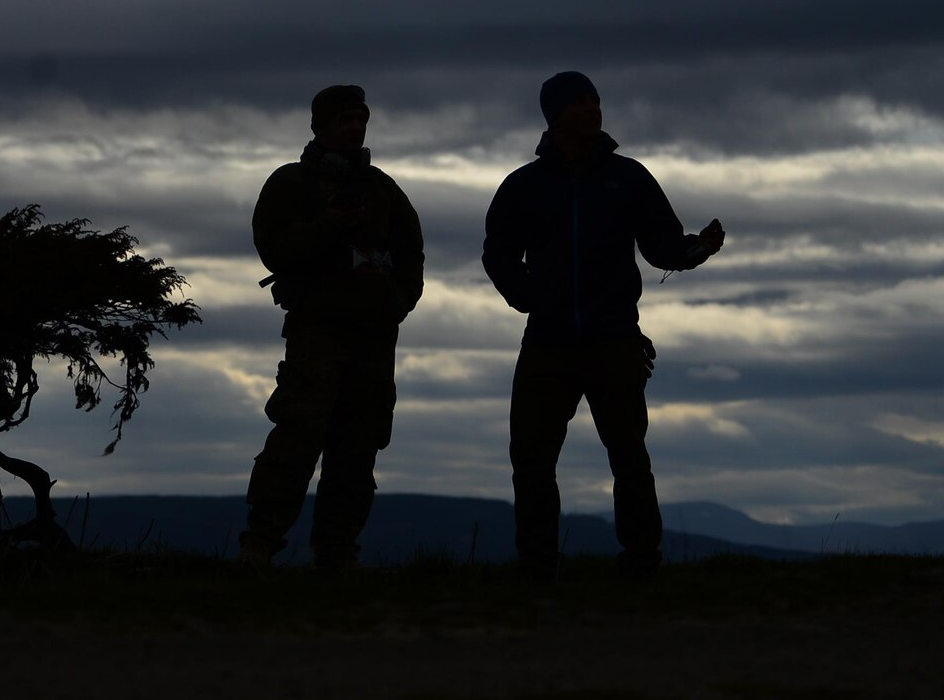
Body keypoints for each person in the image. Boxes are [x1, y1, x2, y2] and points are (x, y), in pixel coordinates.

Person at [482, 71, 724, 579]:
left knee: (629, 456)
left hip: (614, 340)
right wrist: (527, 297)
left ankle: (641, 560)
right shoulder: (523, 186)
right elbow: (498, 254)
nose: (593, 109)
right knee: (531, 460)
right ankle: (538, 564)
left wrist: (697, 248)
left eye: (595, 100)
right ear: (554, 115)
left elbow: (661, 245)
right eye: (579, 102)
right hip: (547, 343)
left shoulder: (629, 178)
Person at [240, 84, 424, 569]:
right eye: (345, 119)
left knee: (358, 447)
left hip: (374, 337)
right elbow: (274, 247)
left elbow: (412, 253)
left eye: (360, 119)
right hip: (316, 334)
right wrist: (329, 228)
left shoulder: (384, 190)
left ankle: (337, 552)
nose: (355, 127)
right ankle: (260, 543)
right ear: (320, 125)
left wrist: (397, 301)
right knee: (297, 435)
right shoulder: (290, 185)